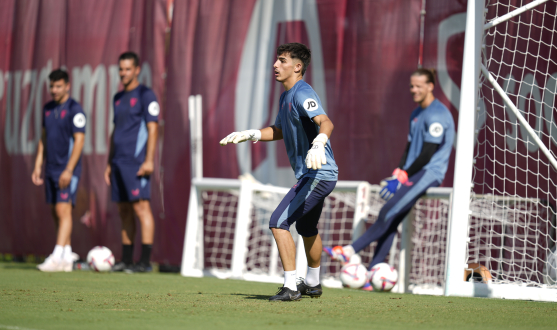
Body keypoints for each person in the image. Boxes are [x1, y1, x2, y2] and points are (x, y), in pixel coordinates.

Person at [220, 43, 338, 301]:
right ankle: (313, 283)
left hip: (318, 173)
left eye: (282, 61)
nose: (275, 65)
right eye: (276, 60)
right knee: (307, 227)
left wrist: (319, 143)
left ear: (297, 67)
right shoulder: (287, 96)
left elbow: (326, 122)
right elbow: (280, 130)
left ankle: (291, 287)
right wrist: (250, 134)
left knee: (278, 221)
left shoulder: (302, 92)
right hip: (316, 175)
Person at [324, 68, 455, 290]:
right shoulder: (416, 114)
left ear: (431, 86)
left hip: (428, 173)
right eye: (411, 86)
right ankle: (373, 271)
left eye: (418, 86)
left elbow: (428, 153)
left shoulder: (438, 114)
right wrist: (399, 171)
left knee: (388, 212)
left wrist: (405, 174)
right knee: (392, 220)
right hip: (413, 172)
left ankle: (349, 251)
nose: (413, 90)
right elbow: (409, 148)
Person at [105, 52, 160, 273]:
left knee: (141, 208)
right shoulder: (117, 98)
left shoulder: (146, 95)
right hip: (118, 162)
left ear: (137, 70)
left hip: (136, 162)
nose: (123, 73)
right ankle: (126, 260)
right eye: (121, 69)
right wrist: (109, 162)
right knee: (124, 211)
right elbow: (115, 130)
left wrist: (148, 160)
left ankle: (145, 262)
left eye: (128, 69)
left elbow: (153, 129)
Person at [32, 69, 86, 272]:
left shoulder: (75, 109)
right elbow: (43, 138)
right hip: (51, 168)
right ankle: (66, 254)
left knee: (63, 210)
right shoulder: (47, 108)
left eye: (58, 86)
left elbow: (80, 141)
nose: (54, 90)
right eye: (52, 86)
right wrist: (38, 163)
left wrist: (69, 170)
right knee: (56, 212)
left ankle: (56, 256)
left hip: (67, 170)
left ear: (67, 86)